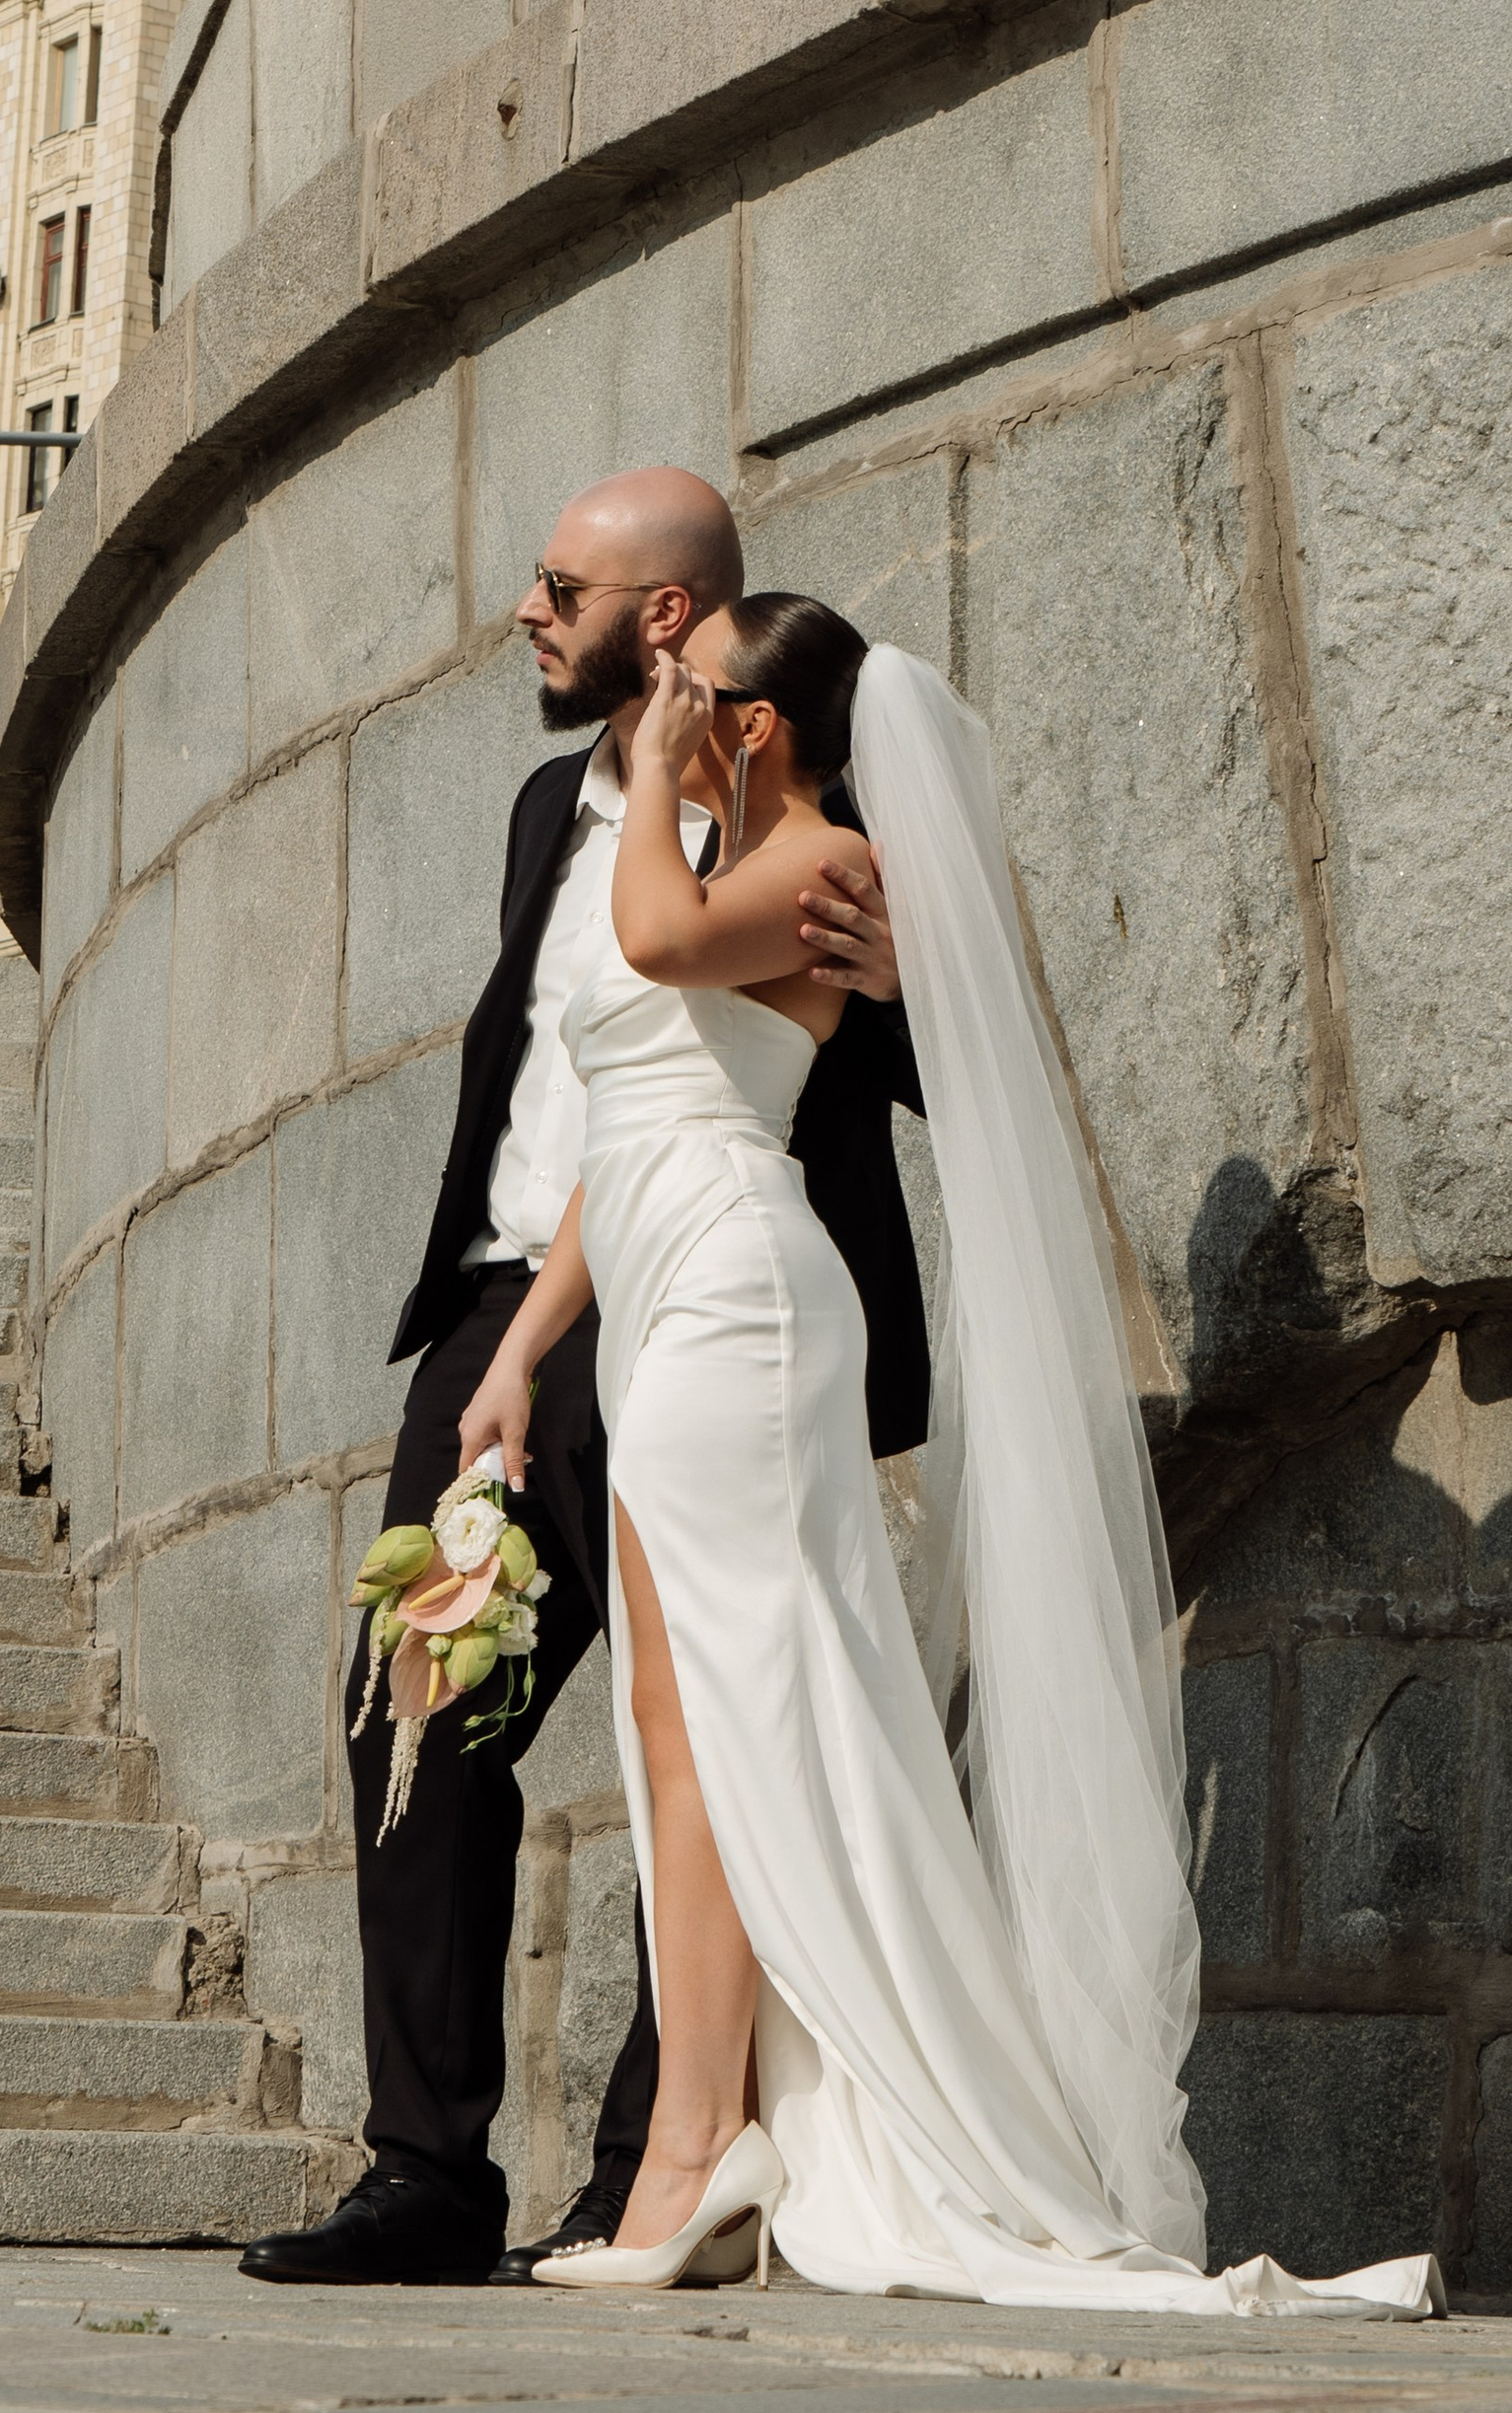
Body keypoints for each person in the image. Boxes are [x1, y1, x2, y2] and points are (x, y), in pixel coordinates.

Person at [453, 595, 1439, 2319]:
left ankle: (695, 2144)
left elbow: (666, 945)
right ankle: (710, 2133)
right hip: (661, 1277)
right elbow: (626, 1127)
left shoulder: (812, 867)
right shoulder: (719, 853)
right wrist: (525, 1350)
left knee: (745, 1727)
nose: (668, 706)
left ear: (761, 729)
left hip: (749, 1305)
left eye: (704, 694)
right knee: (680, 1734)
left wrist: (667, 771)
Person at [239, 472, 926, 2291]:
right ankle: (427, 2170)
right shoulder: (558, 800)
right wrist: (511, 1341)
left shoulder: (789, 800)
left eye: (564, 584)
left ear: (675, 614)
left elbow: (920, 1046)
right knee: (425, 1677)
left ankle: (656, 2162)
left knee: (697, 1721)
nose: (528, 610)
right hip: (525, 1293)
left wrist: (903, 977)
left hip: (717, 1283)